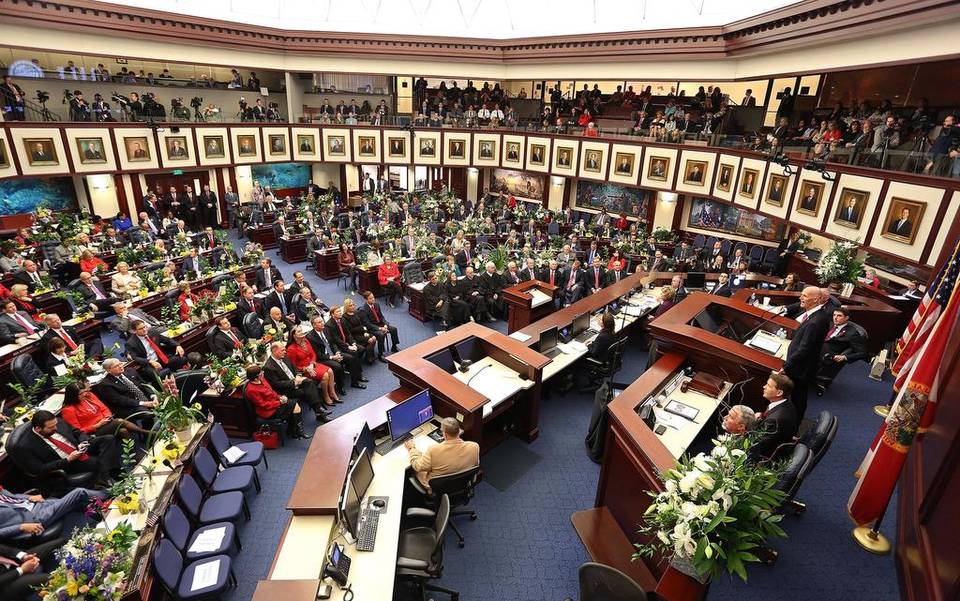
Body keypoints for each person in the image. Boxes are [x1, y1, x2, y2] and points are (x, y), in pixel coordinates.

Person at [9, 411, 119, 485]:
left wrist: (83, 442)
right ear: (38, 429)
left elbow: (77, 432)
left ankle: (105, 476)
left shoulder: (57, 421)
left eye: (55, 424)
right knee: (98, 461)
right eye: (51, 428)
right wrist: (68, 459)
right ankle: (109, 477)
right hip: (67, 462)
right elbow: (39, 469)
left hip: (79, 447)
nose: (56, 428)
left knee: (108, 439)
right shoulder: (24, 446)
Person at [782, 287, 831, 419]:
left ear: (815, 299)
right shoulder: (815, 315)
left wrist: (786, 366)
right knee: (797, 397)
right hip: (801, 365)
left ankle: (794, 425)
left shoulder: (816, 321)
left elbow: (804, 348)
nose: (800, 298)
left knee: (797, 398)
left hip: (801, 368)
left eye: (804, 295)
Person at [404, 417, 480, 491]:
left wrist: (412, 449)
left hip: (438, 487)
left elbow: (418, 467)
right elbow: (474, 465)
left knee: (416, 469)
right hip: (462, 482)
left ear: (445, 435)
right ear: (458, 431)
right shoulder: (474, 446)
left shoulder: (433, 450)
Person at [263, 341, 329, 423]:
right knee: (307, 391)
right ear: (274, 351)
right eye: (282, 350)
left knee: (309, 382)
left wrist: (298, 376)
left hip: (296, 381)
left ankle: (319, 410)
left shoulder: (284, 357)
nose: (285, 352)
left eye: (284, 350)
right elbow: (276, 384)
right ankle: (319, 412)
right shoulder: (268, 367)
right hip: (286, 389)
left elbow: (295, 369)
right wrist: (294, 382)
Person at [60, 381, 150, 439]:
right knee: (119, 421)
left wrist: (107, 417)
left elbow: (104, 408)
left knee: (123, 431)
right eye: (81, 394)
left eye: (85, 391)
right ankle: (147, 433)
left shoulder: (89, 396)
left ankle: (132, 456)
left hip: (106, 423)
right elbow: (78, 431)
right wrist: (97, 425)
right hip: (93, 432)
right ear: (73, 395)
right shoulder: (68, 410)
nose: (85, 394)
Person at [244, 365, 310, 439]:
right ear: (255, 377)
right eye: (261, 373)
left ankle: (295, 431)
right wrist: (279, 403)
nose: (263, 373)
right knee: (295, 407)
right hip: (267, 411)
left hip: (275, 402)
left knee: (295, 407)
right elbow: (263, 405)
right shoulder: (251, 390)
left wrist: (280, 397)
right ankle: (296, 431)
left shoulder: (262, 379)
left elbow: (271, 391)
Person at [815, 307, 869, 395]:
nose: (835, 318)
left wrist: (844, 357)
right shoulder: (830, 324)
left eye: (839, 316)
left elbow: (862, 353)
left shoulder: (852, 333)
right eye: (834, 315)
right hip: (817, 347)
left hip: (827, 355)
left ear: (846, 318)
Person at [307, 315, 366, 390]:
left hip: (333, 353)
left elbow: (333, 343)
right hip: (324, 358)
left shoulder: (326, 329)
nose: (322, 323)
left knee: (351, 358)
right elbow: (318, 354)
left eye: (322, 321)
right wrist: (332, 357)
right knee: (337, 366)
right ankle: (340, 387)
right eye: (319, 322)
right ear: (314, 325)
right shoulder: (310, 337)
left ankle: (355, 382)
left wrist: (337, 352)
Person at [751, 373, 799, 460]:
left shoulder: (775, 420)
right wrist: (762, 416)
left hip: (767, 456)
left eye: (768, 386)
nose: (764, 387)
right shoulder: (786, 402)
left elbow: (758, 445)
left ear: (779, 393)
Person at [286, 328, 338, 407]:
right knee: (325, 375)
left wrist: (312, 364)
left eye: (301, 330)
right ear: (294, 335)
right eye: (299, 331)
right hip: (304, 370)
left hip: (312, 365)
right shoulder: (291, 349)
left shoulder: (306, 341)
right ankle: (326, 396)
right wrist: (305, 369)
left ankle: (332, 392)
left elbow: (313, 354)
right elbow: (293, 366)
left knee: (330, 371)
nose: (302, 332)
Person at [91, 358, 159, 419]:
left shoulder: (130, 371)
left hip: (145, 398)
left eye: (120, 364)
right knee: (147, 413)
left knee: (162, 402)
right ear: (108, 370)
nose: (120, 366)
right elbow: (121, 400)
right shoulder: (105, 384)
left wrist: (153, 396)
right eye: (116, 366)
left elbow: (144, 384)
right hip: (128, 406)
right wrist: (143, 403)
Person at [360, 290, 400, 359]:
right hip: (372, 328)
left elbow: (381, 316)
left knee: (394, 329)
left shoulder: (377, 304)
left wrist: (385, 324)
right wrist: (380, 329)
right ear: (366, 300)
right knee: (381, 335)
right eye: (370, 298)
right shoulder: (363, 310)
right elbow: (368, 324)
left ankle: (394, 346)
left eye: (373, 297)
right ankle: (380, 354)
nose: (373, 299)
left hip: (381, 324)